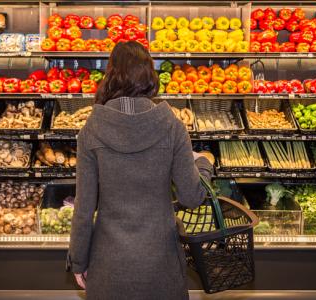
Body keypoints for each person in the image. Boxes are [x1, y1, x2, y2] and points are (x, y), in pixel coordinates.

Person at [68, 41, 213, 300]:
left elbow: (84, 207)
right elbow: (192, 196)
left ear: (110, 75)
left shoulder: (90, 129)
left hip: (108, 267)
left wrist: (78, 261)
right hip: (161, 266)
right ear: (150, 75)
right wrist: (203, 163)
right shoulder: (172, 126)